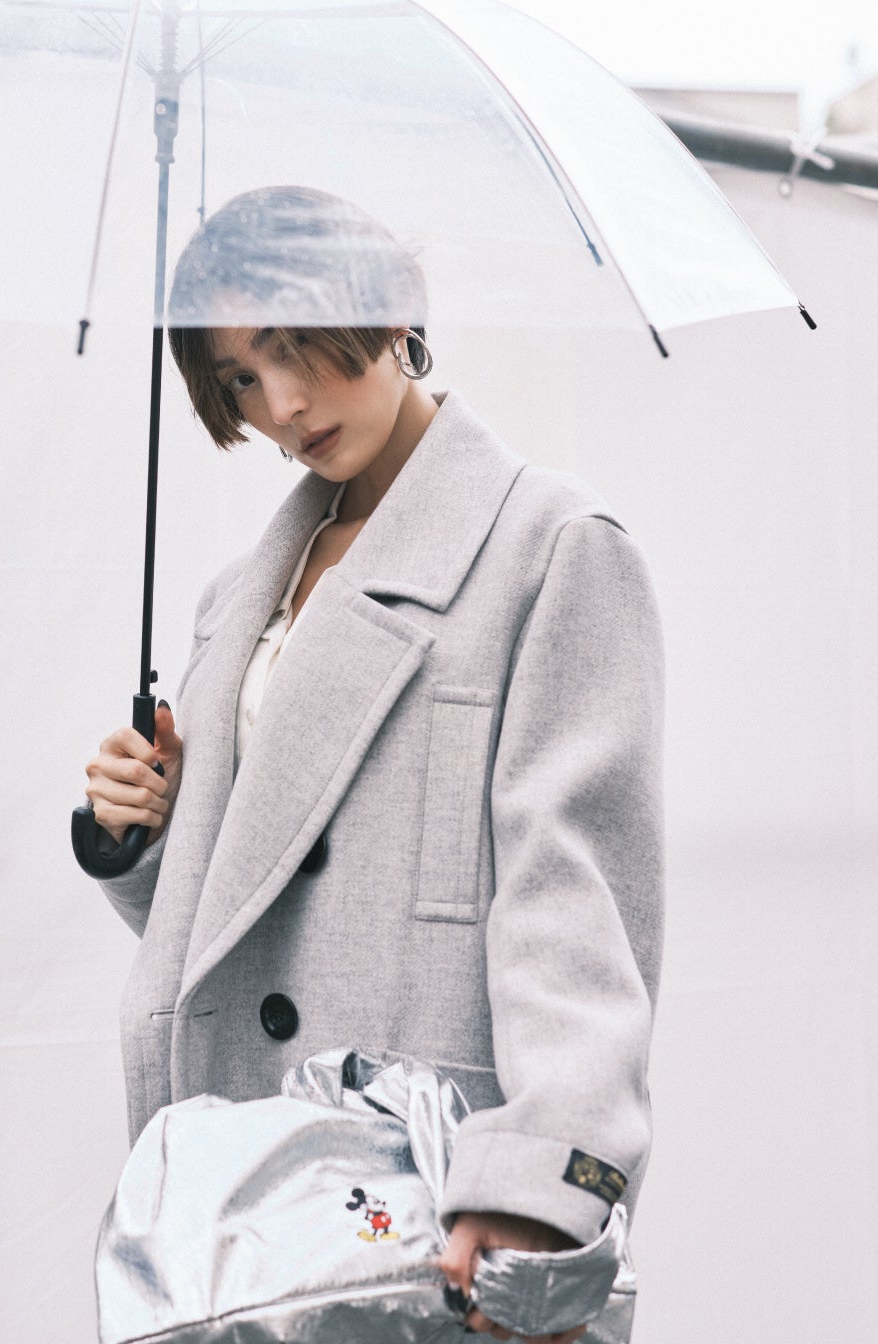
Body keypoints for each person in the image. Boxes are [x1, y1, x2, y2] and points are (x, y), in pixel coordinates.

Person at [81, 186, 664, 1341]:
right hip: (231, 1193)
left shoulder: (549, 548)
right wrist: (137, 830)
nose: (282, 405)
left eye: (293, 347)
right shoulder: (236, 599)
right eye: (240, 379)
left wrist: (542, 1171)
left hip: (422, 1183)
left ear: (391, 309)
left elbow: (572, 898)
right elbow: (247, 910)